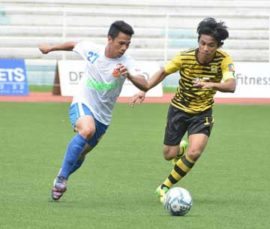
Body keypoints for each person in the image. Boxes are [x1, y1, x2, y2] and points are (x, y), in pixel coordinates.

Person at [129, 17, 236, 203]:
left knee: (194, 152)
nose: (205, 48)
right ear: (198, 41)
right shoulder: (184, 57)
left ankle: (164, 187)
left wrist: (209, 84)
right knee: (168, 155)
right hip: (179, 109)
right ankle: (180, 149)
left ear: (218, 45)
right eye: (202, 43)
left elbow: (231, 85)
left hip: (203, 112)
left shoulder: (223, 59)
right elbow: (163, 72)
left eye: (211, 45)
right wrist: (144, 89)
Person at [39, 20, 148, 201]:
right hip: (83, 102)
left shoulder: (128, 63)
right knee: (87, 130)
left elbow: (144, 82)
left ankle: (63, 173)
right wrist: (50, 48)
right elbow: (73, 45)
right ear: (109, 39)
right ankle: (62, 179)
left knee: (81, 153)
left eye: (127, 44)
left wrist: (128, 75)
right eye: (121, 43)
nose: (124, 48)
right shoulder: (92, 50)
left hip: (103, 117)